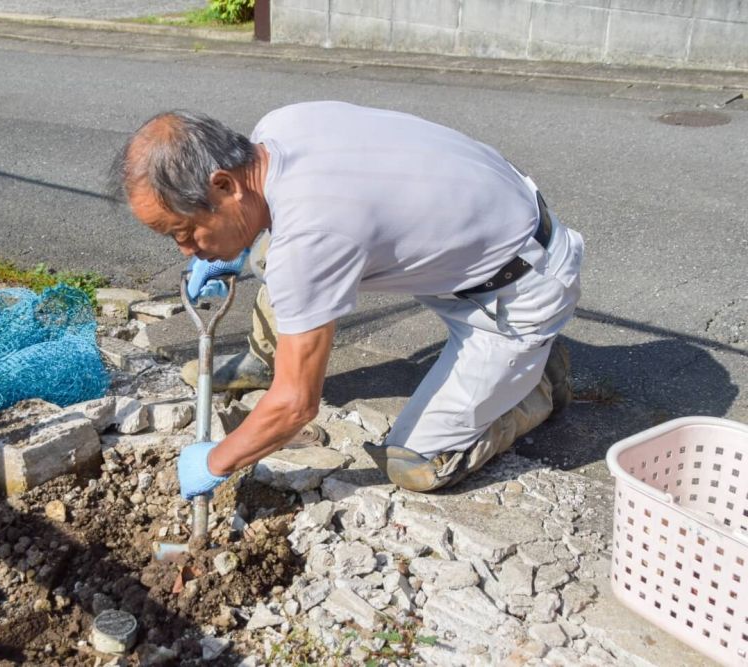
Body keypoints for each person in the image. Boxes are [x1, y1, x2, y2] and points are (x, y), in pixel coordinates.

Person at [110, 101, 583, 496]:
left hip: (517, 292)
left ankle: (536, 384)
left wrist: (215, 462)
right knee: (271, 253)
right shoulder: (278, 129)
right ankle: (270, 356)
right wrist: (228, 251)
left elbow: (298, 407)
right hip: (484, 233)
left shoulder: (312, 236)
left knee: (415, 464)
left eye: (186, 231)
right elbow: (313, 223)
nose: (187, 250)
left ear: (224, 184)